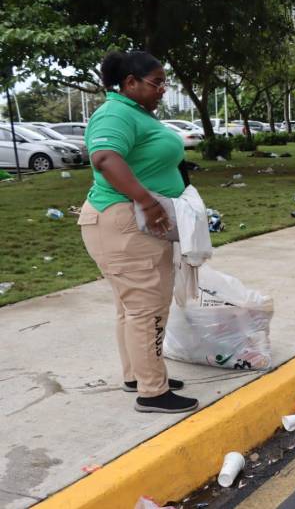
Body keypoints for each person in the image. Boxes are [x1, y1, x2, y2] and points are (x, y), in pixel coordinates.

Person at [77, 50, 198, 413]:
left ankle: (138, 375)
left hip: (125, 222)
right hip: (125, 223)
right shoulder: (114, 113)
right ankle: (153, 391)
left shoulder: (133, 113)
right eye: (156, 82)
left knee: (131, 308)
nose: (163, 89)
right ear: (130, 83)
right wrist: (147, 202)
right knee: (147, 307)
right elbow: (104, 158)